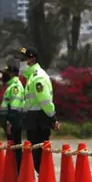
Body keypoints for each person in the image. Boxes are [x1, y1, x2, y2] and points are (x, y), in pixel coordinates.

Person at [18, 46, 60, 174]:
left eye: (23, 59)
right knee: (35, 156)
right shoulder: (32, 76)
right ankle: (43, 181)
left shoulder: (38, 77)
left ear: (32, 60)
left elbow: (44, 100)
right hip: (33, 119)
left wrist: (53, 118)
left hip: (40, 119)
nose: (21, 62)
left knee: (39, 157)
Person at [0, 58, 25, 172]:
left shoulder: (15, 87)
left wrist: (10, 123)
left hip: (13, 123)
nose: (3, 75)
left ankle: (19, 174)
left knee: (16, 149)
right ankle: (15, 174)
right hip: (10, 123)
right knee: (13, 149)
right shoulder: (11, 86)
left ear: (13, 73)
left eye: (6, 73)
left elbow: (15, 107)